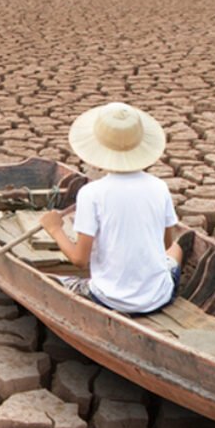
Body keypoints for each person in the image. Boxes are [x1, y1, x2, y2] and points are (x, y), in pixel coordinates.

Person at [40, 101, 183, 315]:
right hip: (159, 296)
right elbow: (166, 245)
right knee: (177, 250)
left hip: (109, 300)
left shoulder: (92, 193)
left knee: (56, 281)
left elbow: (80, 260)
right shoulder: (159, 186)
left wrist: (54, 229)